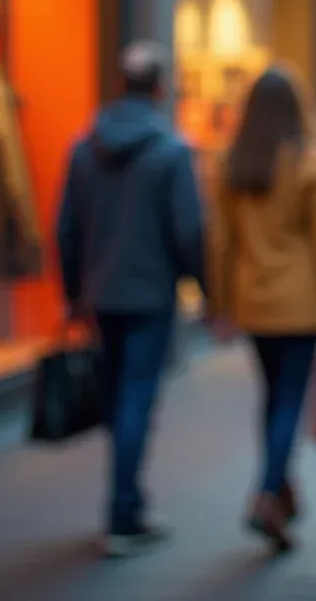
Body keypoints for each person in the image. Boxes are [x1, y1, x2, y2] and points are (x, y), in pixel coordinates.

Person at [56, 40, 204, 557]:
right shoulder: (171, 150)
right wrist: (202, 285)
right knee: (136, 398)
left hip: (101, 292)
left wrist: (74, 292)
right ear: (161, 87)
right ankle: (123, 512)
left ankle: (128, 501)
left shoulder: (83, 147)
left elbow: (67, 228)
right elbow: (190, 231)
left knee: (120, 395)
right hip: (149, 293)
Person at [206, 65, 316, 553]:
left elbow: (221, 242)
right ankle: (268, 492)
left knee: (273, 396)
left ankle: (280, 487)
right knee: (289, 398)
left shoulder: (232, 161)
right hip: (301, 299)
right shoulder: (311, 161)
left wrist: (220, 304)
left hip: (252, 298)